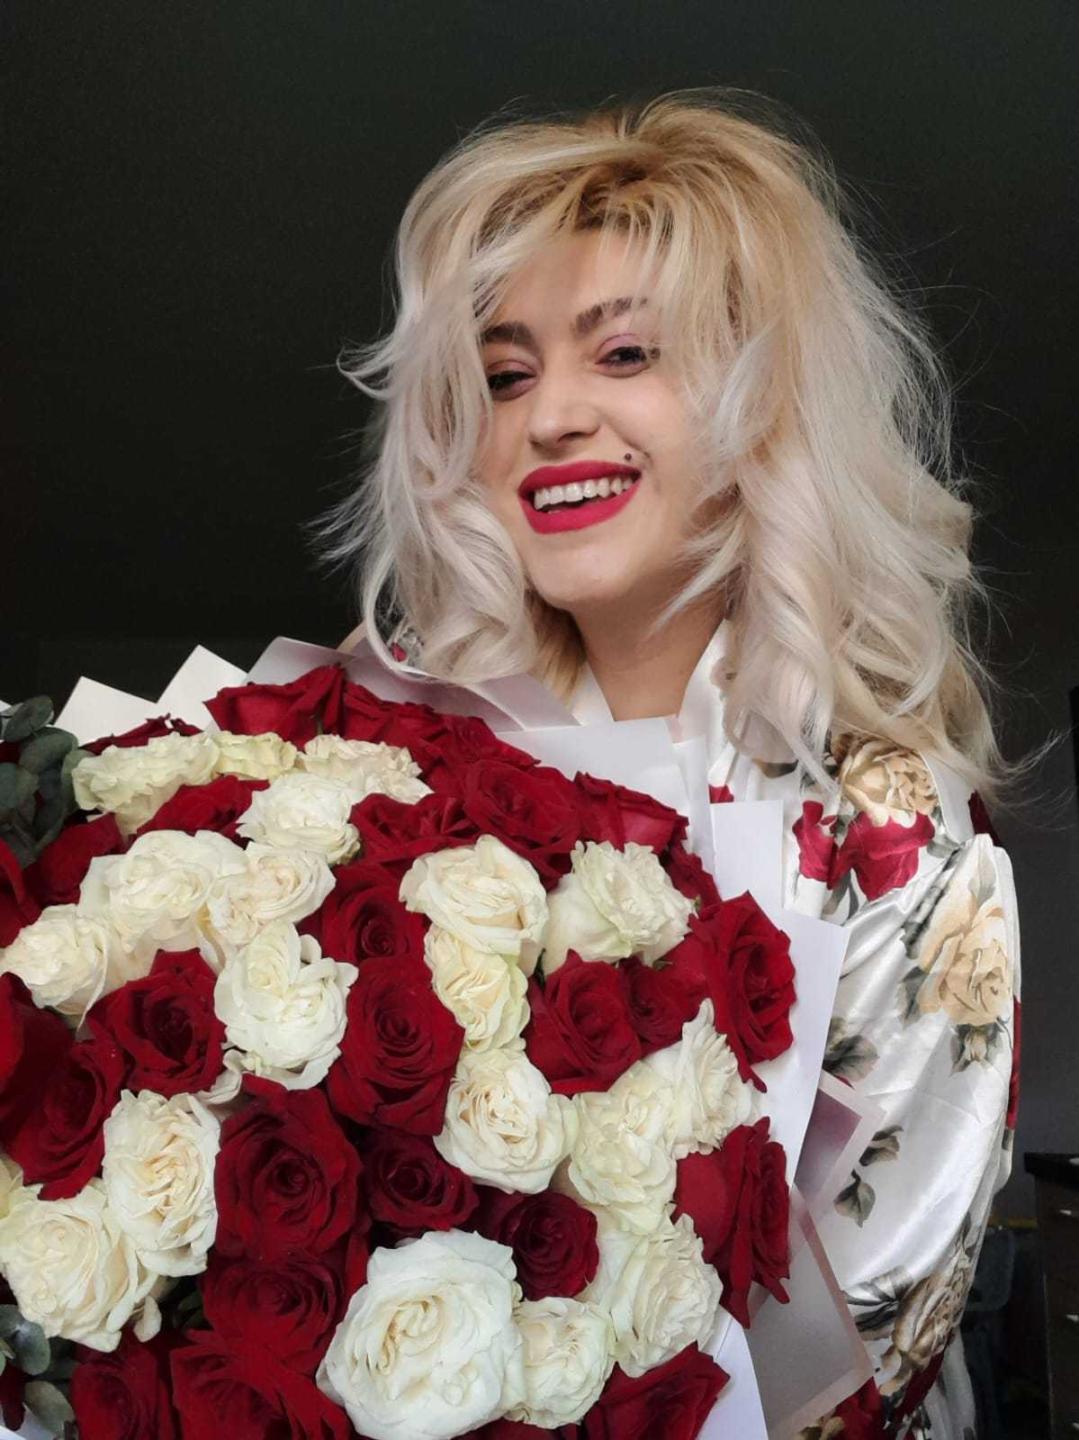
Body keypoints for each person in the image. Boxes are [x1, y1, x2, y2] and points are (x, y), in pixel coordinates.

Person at [318, 89, 1027, 1438]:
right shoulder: (393, 778)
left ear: (767, 405)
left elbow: (863, 1364)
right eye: (505, 376)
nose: (549, 418)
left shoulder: (889, 835)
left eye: (626, 353)